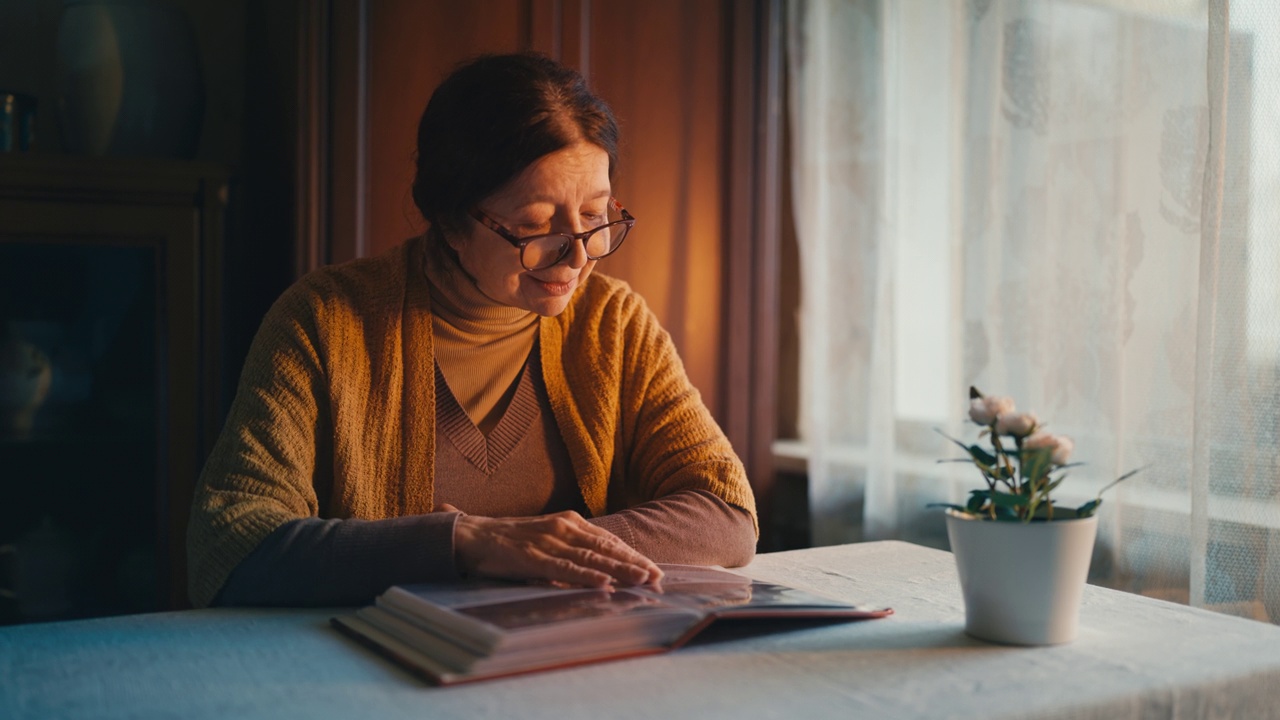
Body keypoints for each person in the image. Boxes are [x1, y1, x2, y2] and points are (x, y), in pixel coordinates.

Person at [187, 52, 758, 608]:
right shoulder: (325, 322)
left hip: (574, 664)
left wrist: (556, 553)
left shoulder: (613, 324)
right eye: (535, 226)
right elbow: (232, 545)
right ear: (452, 219)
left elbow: (727, 514)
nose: (577, 257)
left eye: (595, 216)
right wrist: (470, 545)